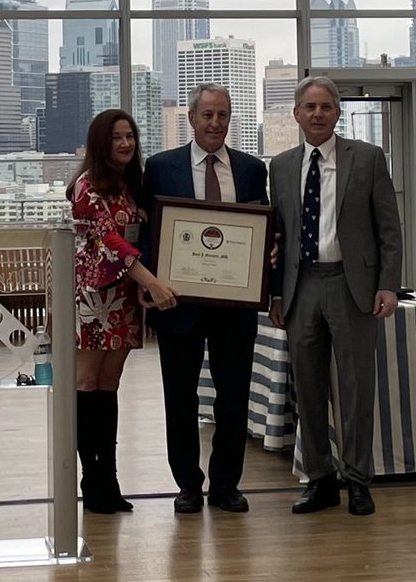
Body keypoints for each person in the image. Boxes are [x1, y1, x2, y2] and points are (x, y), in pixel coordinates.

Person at [269, 76, 402, 517]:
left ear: (338, 113)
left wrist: (388, 283)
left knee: (356, 387)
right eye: (310, 107)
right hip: (301, 286)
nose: (318, 113)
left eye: (326, 106)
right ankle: (320, 479)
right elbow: (279, 236)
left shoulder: (366, 158)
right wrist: (274, 294)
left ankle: (358, 481)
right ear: (296, 113)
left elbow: (388, 229)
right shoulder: (282, 166)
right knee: (307, 388)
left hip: (352, 286)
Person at [142, 83, 268, 515]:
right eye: (208, 115)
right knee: (180, 400)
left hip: (236, 307)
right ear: (192, 118)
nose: (216, 123)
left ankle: (227, 485)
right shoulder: (160, 167)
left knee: (233, 399)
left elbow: (264, 230)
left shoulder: (252, 170)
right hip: (179, 306)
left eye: (224, 115)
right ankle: (188, 486)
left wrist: (268, 249)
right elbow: (147, 234)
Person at [69, 108, 177, 515]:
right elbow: (110, 240)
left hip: (125, 298)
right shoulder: (85, 187)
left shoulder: (130, 186)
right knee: (86, 382)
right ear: (101, 142)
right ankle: (90, 478)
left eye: (130, 136)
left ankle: (109, 477)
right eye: (116, 137)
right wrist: (152, 282)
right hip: (93, 297)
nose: (125, 144)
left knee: (109, 386)